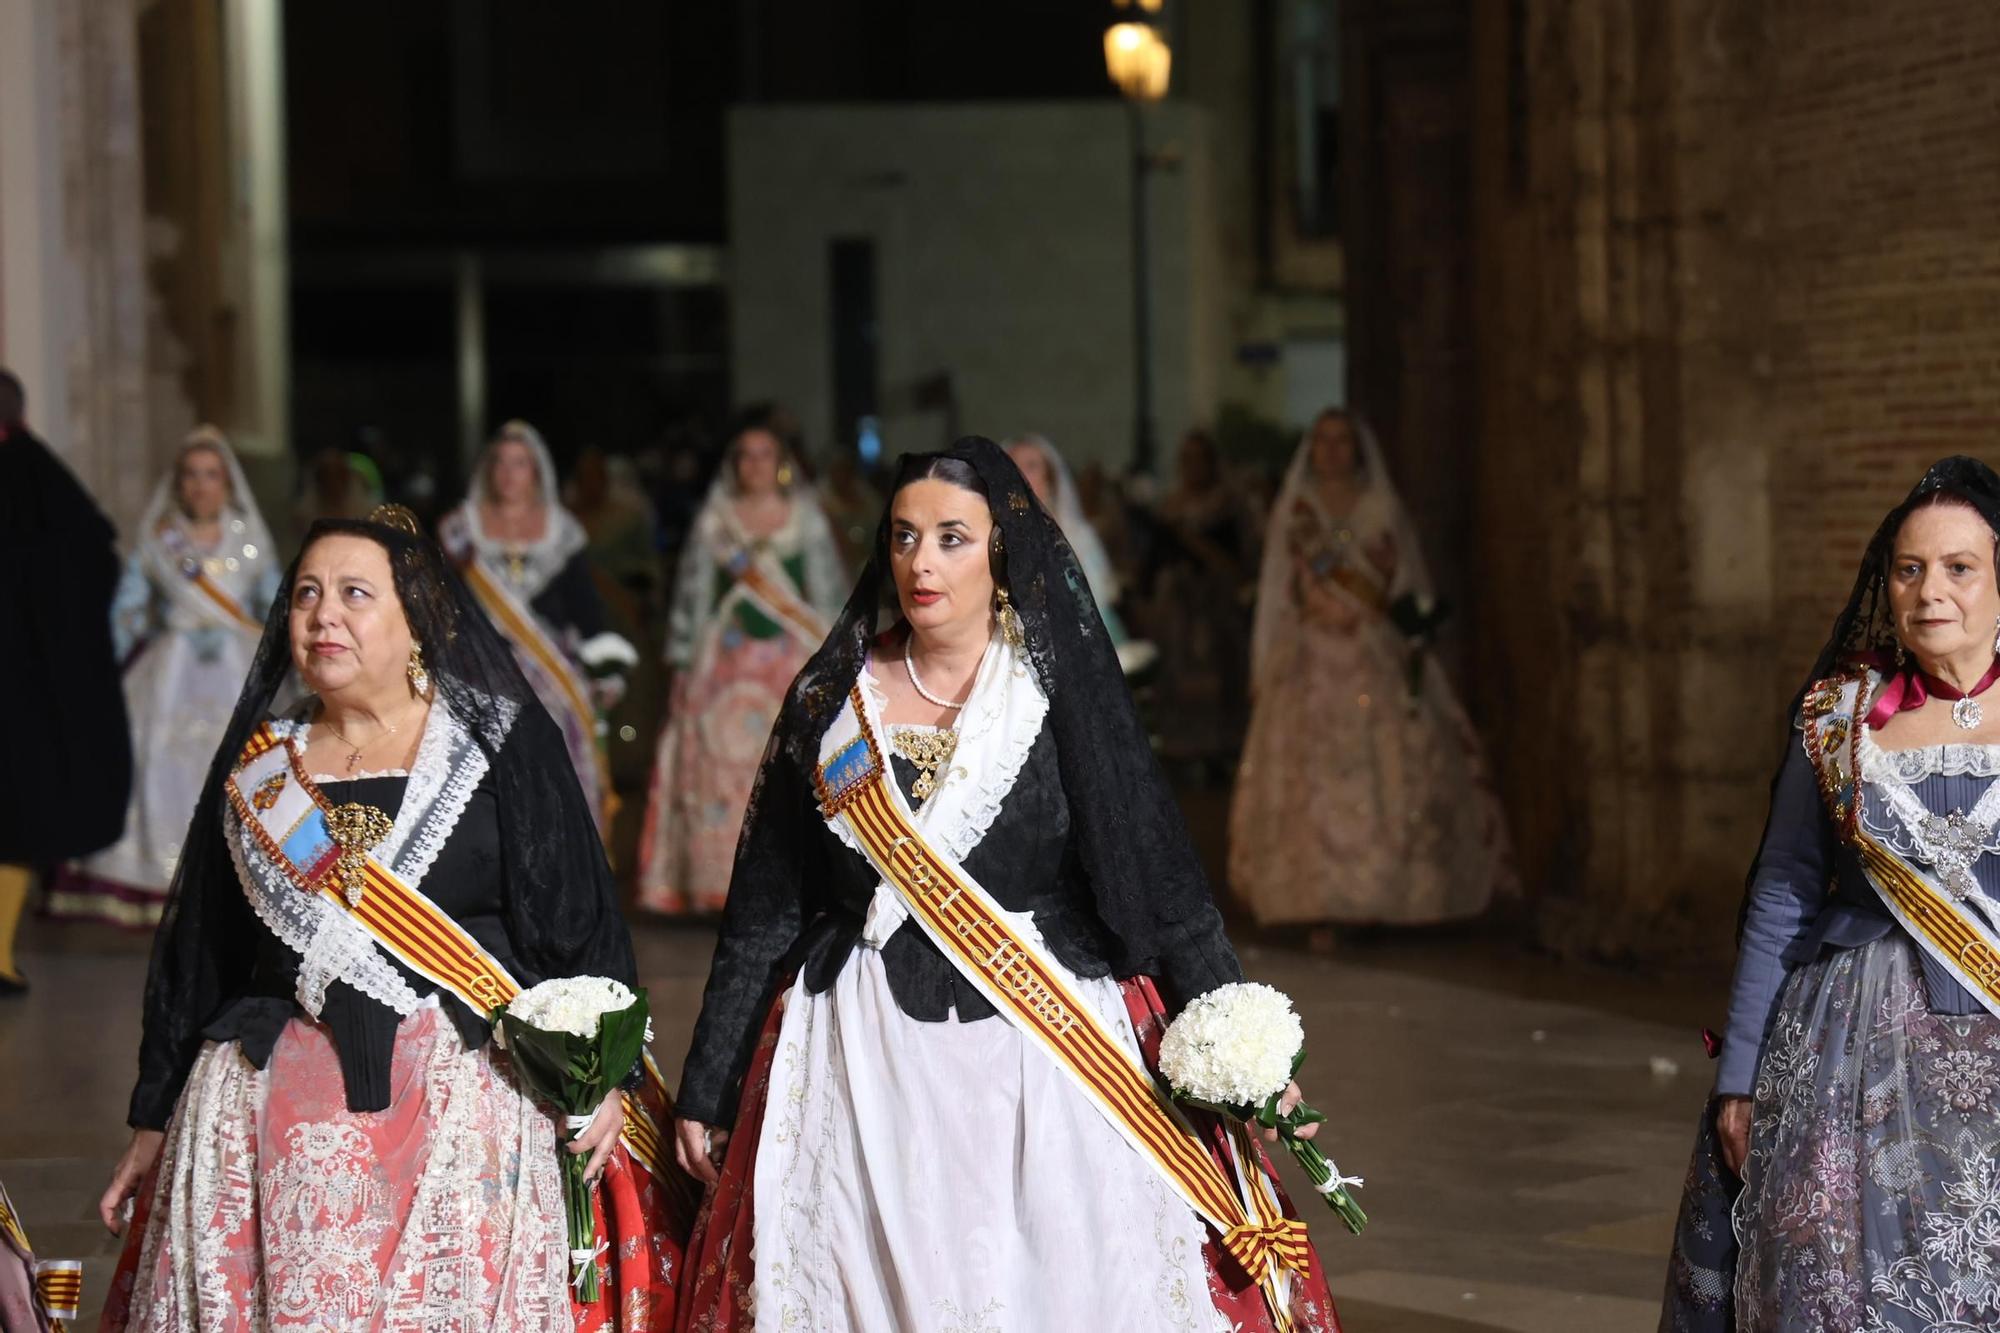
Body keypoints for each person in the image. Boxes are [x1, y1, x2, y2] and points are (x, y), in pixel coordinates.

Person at [668, 438, 1343, 1331]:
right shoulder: (833, 700)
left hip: (1044, 1060)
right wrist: (709, 1083)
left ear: (1001, 553)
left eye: (953, 537)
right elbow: (766, 905)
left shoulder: (1055, 694)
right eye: (905, 537)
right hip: (863, 1060)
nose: (922, 561)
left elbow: (1156, 875)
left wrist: (1236, 1035)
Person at [95, 505, 692, 1331]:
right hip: (273, 1117)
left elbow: (578, 917)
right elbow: (201, 949)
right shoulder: (264, 765)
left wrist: (611, 1073)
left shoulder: (495, 745)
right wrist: (154, 1114)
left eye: (353, 592)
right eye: (305, 592)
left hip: (464, 1106)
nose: (322, 614)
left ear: (417, 617)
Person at [1663, 456, 2000, 1331]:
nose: (1931, 591)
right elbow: (1782, 891)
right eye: (1909, 568)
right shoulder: (1839, 719)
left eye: (1960, 567)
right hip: (1844, 1056)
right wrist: (1738, 1077)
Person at [1230, 409, 1512, 927]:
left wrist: (1415, 636)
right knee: (1310, 778)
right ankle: (1313, 904)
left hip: (1371, 649)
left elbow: (1406, 580)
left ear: (1358, 449)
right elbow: (1275, 590)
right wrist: (1262, 660)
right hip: (1308, 656)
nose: (1333, 450)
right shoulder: (1298, 512)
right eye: (1323, 440)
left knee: (1387, 764)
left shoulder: (1382, 506)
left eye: (1343, 441)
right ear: (1311, 448)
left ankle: (1386, 896)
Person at [48, 427, 278, 928]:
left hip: (235, 668)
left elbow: (274, 607)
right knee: (155, 760)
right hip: (168, 668)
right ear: (179, 483)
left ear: (227, 483)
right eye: (192, 476)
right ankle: (155, 881)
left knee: (239, 767)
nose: (201, 486)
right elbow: (127, 609)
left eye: (211, 475)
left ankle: (236, 882)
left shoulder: (250, 537)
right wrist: (128, 646)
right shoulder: (161, 539)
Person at [635, 413, 845, 915]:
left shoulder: (805, 518)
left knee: (789, 767)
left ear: (781, 464)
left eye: (765, 455)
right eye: (745, 456)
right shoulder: (716, 522)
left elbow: (827, 594)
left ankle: (790, 880)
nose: (755, 465)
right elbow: (693, 598)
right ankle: (718, 882)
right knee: (718, 767)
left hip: (787, 664)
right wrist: (684, 665)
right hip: (724, 665)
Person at [0, 368, 131, 995]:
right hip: (28, 692)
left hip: (19, 692)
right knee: (16, 819)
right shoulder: (50, 483)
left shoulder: (38, 481)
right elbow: (97, 567)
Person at [440, 420, 633, 838]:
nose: (510, 474)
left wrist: (606, 669)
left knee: (556, 741)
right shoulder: (460, 529)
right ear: (489, 470)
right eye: (502, 463)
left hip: (551, 666)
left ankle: (562, 843)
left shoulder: (560, 530)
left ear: (537, 472)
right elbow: (445, 604)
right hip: (480, 664)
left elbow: (585, 606)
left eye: (521, 464)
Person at [1144, 429, 1258, 761]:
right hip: (1175, 614)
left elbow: (1241, 564)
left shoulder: (1228, 509)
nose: (1192, 466)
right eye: (1186, 459)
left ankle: (1219, 751)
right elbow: (1152, 565)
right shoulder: (1169, 507)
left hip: (1216, 609)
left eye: (1199, 458)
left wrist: (1196, 543)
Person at [1004, 432, 1155, 674]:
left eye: (1032, 466)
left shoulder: (1077, 536)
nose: (1022, 473)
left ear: (1050, 478)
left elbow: (1094, 601)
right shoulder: (993, 538)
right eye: (1013, 465)